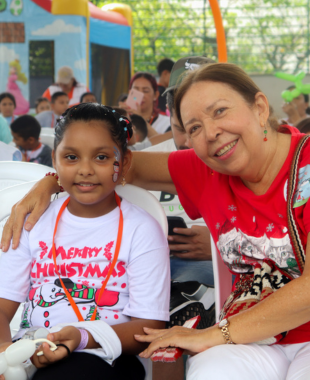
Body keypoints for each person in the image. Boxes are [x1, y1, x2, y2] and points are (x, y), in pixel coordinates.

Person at [4, 63, 310, 380]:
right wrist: (45, 185)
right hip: (253, 340)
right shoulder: (208, 169)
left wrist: (210, 335)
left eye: (219, 111)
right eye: (193, 128)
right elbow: (109, 164)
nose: (211, 132)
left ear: (260, 107)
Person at [0, 103, 169, 380]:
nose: (85, 170)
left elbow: (149, 325)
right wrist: (5, 353)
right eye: (71, 157)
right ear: (55, 161)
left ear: (124, 162)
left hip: (103, 355)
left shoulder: (141, 230)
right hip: (28, 352)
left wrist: (81, 338)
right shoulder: (34, 222)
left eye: (102, 157)